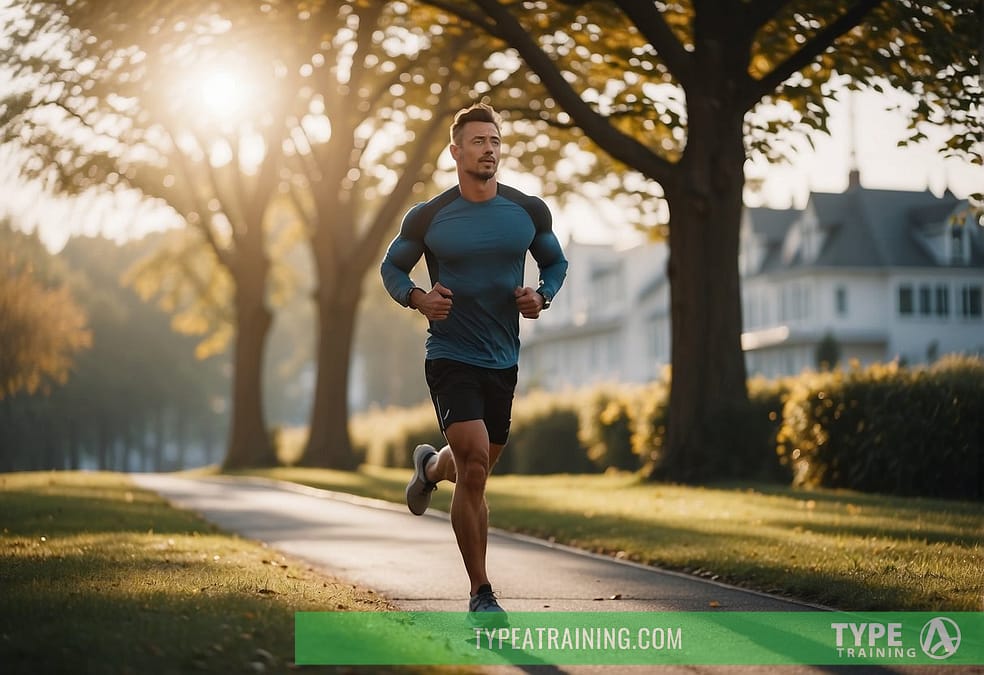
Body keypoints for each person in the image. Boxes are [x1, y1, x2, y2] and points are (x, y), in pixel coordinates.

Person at [380, 103, 567, 623]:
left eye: (496, 141)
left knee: (472, 468)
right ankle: (481, 591)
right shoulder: (428, 216)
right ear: (456, 151)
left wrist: (542, 296)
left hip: (502, 358)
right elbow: (392, 267)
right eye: (479, 141)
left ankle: (428, 466)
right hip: (449, 354)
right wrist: (418, 299)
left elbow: (554, 261)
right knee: (477, 462)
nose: (490, 149)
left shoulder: (528, 211)